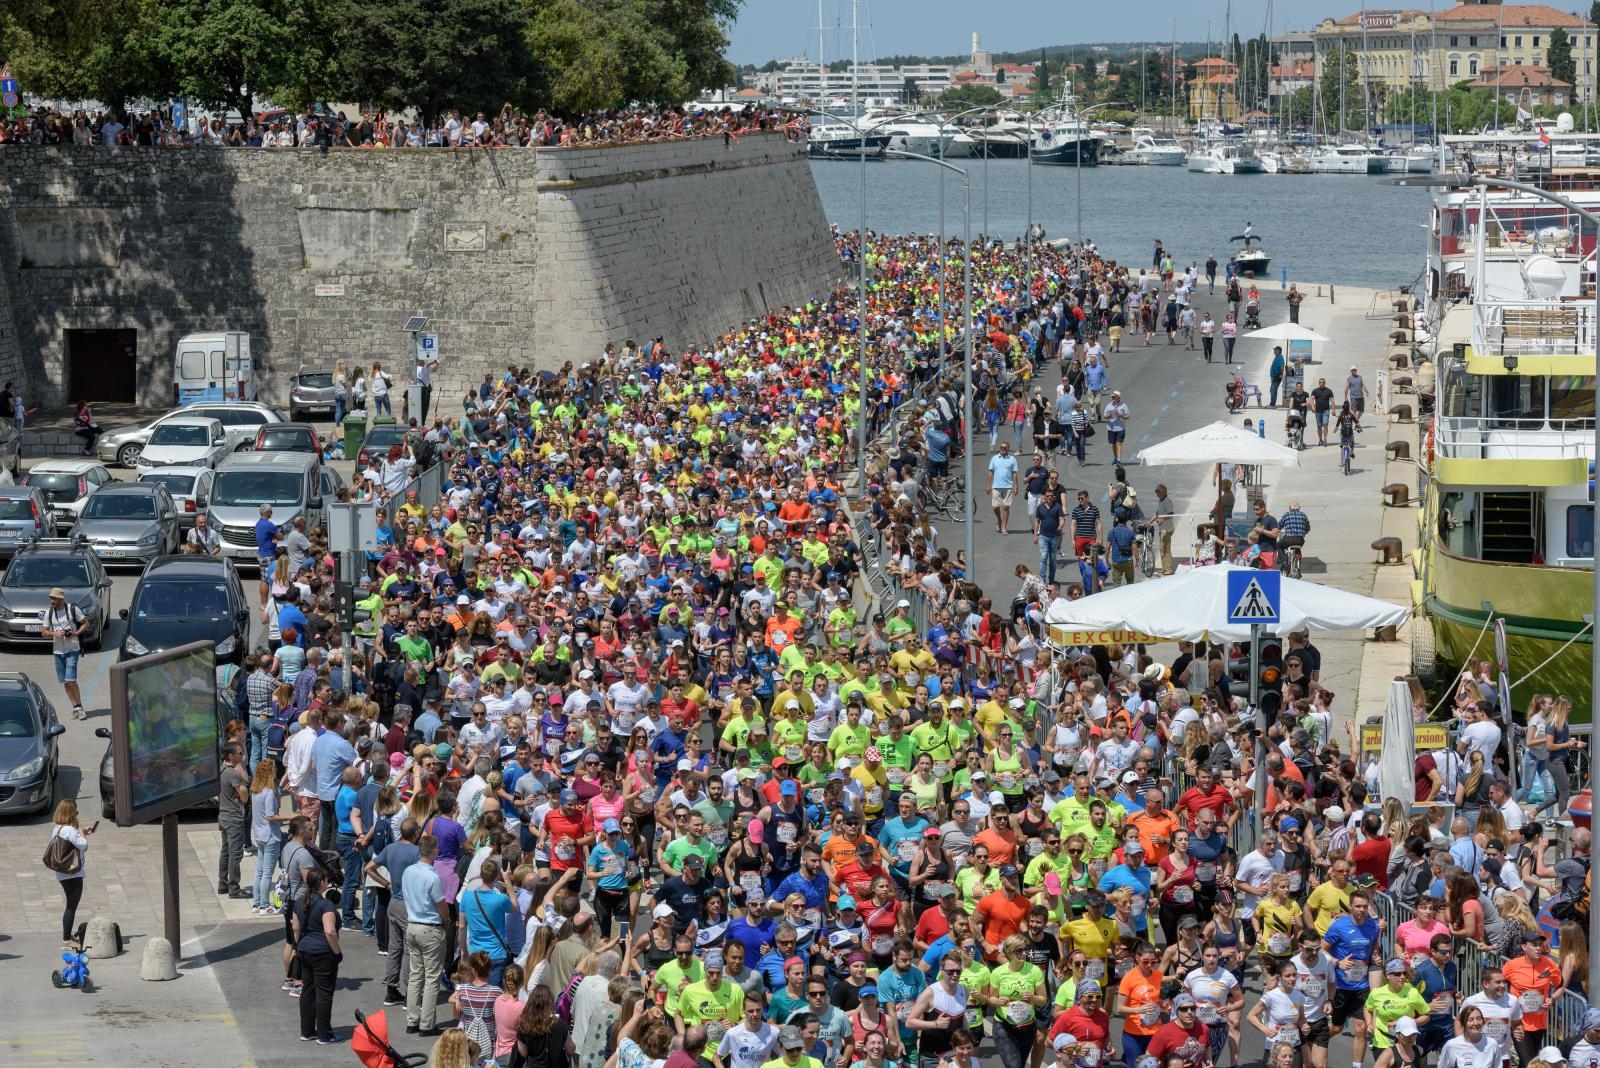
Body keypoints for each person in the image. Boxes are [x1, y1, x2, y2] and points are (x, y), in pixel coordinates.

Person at [291, 867, 343, 1045]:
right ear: (322, 883)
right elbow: (330, 931)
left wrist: (299, 946)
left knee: (308, 990)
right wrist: (337, 952)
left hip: (304, 950)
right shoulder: (326, 905)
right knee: (324, 993)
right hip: (322, 952)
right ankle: (324, 1034)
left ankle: (307, 1031)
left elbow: (296, 928)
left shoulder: (299, 902)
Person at [47, 798, 91, 947]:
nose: (77, 814)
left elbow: (70, 842)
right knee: (71, 906)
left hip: (62, 872)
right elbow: (83, 845)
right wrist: (80, 830)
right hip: (72, 873)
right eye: (76, 811)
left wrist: (82, 832)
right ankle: (66, 939)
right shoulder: (70, 830)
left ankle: (67, 935)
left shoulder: (58, 828)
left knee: (70, 904)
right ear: (70, 813)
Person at [43, 586, 90, 719]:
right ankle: (75, 707)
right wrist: (55, 633)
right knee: (65, 681)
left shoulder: (72, 610)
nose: (52, 601)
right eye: (51, 598)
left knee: (70, 679)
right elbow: (44, 632)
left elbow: (86, 624)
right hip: (58, 651)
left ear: (61, 598)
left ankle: (79, 707)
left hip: (73, 648)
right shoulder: (49, 613)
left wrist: (76, 633)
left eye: (54, 599)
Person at [987, 440, 1019, 536]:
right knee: (995, 507)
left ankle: (1004, 527)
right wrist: (988, 484)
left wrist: (1016, 486)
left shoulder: (1012, 459)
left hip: (1008, 487)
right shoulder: (994, 458)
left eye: (1005, 448)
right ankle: (999, 520)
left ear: (1008, 449)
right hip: (996, 486)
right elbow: (990, 472)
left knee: (1006, 507)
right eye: (1001, 447)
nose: (1003, 449)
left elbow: (1014, 474)